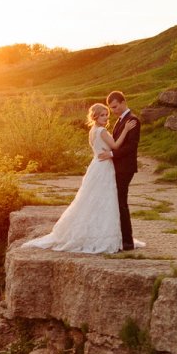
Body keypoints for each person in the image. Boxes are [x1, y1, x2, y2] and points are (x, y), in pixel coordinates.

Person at [22, 103, 130, 254]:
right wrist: (125, 130)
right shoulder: (102, 131)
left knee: (93, 199)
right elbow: (116, 146)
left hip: (96, 166)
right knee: (104, 198)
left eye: (107, 115)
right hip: (104, 167)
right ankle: (102, 235)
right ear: (95, 117)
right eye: (102, 115)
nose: (106, 118)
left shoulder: (92, 130)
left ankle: (95, 232)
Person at [106, 91, 141, 250]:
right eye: (111, 108)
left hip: (126, 168)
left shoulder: (133, 120)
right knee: (118, 202)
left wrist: (112, 154)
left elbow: (132, 146)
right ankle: (121, 238)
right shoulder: (120, 120)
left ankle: (127, 242)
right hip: (118, 167)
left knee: (121, 203)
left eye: (115, 106)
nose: (113, 110)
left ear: (123, 102)